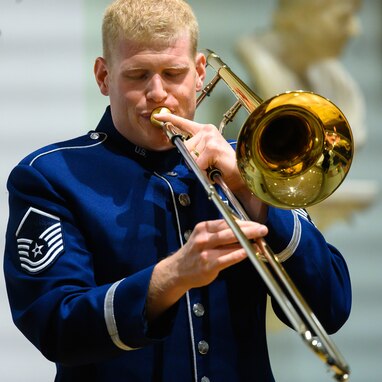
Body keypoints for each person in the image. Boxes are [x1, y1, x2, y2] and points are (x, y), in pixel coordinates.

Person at [3, 0, 351, 381]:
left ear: (200, 72)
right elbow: (55, 327)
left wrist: (260, 198)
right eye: (137, 75)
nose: (157, 93)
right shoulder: (52, 175)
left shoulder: (249, 165)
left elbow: (331, 308)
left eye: (173, 73)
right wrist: (171, 277)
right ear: (103, 77)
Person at [236, 0, 366, 149]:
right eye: (342, 18)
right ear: (302, 16)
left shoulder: (337, 81)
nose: (355, 30)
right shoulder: (257, 60)